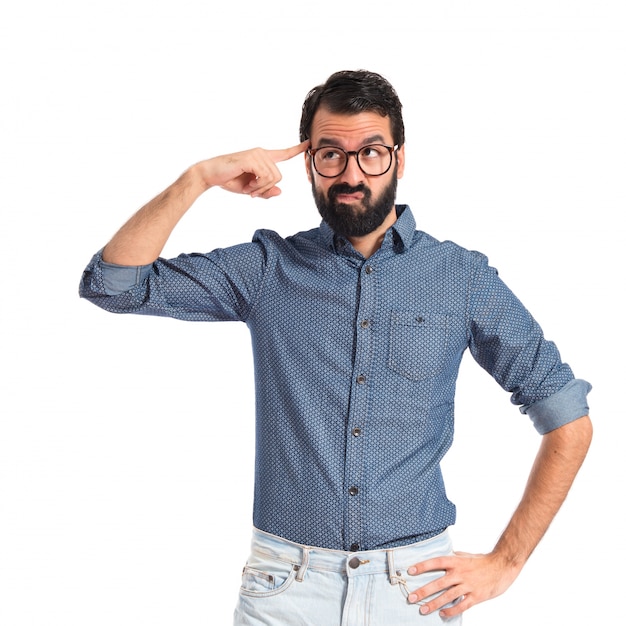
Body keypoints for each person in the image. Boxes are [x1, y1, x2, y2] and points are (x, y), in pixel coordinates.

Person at [79, 69, 592, 624]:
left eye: (371, 152)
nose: (351, 174)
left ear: (399, 157)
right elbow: (112, 285)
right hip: (285, 589)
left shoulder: (459, 277)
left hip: (416, 590)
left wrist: (506, 562)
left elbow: (567, 419)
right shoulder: (267, 269)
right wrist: (197, 178)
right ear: (309, 164)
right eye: (330, 155)